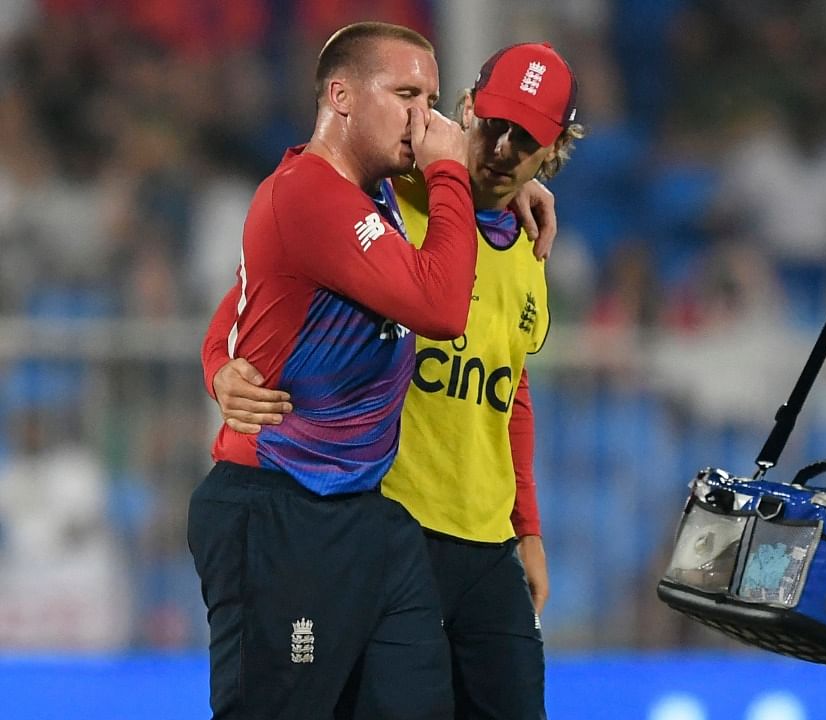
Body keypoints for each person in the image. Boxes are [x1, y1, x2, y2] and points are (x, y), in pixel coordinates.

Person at [204, 42, 584, 720]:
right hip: (389, 517)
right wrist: (218, 366)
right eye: (491, 123)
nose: (498, 147)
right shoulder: (391, 193)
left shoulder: (530, 244)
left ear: (551, 152)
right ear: (466, 109)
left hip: (485, 537)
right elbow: (255, 289)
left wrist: (527, 526)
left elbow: (510, 385)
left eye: (523, 142)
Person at [185, 21, 479, 720]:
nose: (426, 117)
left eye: (431, 98)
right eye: (406, 93)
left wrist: (219, 360)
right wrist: (450, 172)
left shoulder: (370, 193)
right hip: (280, 508)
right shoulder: (309, 193)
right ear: (342, 97)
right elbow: (440, 308)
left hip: (363, 514)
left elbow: (248, 293)